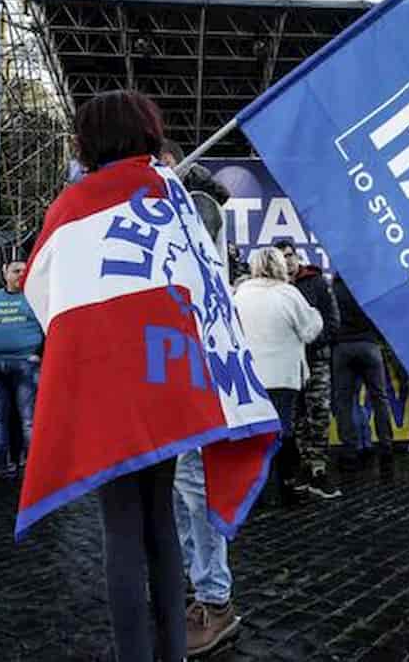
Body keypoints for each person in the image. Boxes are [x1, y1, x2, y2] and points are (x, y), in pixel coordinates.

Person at [61, 91, 187, 662]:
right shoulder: (174, 195)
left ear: (89, 141)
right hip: (170, 376)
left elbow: (52, 294)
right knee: (161, 516)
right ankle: (174, 650)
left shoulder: (75, 201)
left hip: (108, 383)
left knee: (121, 524)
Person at [161, 138, 242, 656]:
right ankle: (199, 589)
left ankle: (216, 600)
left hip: (197, 360)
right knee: (177, 486)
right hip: (165, 363)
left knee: (194, 483)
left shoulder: (198, 207)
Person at [235, 247, 324, 505]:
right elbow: (310, 330)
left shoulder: (242, 294)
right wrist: (316, 315)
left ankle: (258, 492)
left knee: (257, 434)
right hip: (283, 375)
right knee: (281, 432)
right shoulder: (288, 294)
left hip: (250, 375)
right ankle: (277, 490)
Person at [274, 240, 341, 498]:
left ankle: (319, 467)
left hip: (315, 360)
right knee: (297, 417)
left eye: (290, 256)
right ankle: (306, 465)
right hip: (288, 363)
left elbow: (332, 322)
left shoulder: (315, 281)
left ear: (297, 256)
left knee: (319, 412)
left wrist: (309, 342)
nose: (287, 261)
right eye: (282, 257)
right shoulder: (277, 288)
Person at [0, 260, 42, 483]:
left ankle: (32, 470)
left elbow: (49, 327)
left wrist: (39, 354)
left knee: (28, 420)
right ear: (5, 272)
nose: (21, 275)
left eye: (24, 271)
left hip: (25, 364)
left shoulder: (37, 298)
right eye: (16, 271)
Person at [332, 275, 395, 465]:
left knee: (344, 401)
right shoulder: (366, 284)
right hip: (369, 345)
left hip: (342, 347)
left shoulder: (333, 288)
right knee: (379, 398)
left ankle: (350, 451)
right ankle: (386, 447)